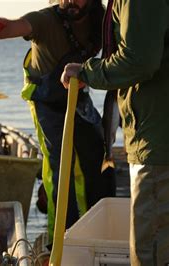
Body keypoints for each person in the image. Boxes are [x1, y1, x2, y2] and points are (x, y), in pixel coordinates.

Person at [0, 0, 115, 248]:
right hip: (45, 103)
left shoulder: (102, 19)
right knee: (61, 167)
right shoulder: (46, 20)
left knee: (99, 157)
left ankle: (101, 230)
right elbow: (15, 27)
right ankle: (61, 242)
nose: (70, 1)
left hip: (77, 96)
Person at [61, 0, 169, 264]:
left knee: (149, 254)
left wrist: (88, 71)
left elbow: (139, 60)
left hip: (156, 143)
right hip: (154, 138)